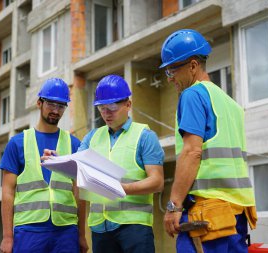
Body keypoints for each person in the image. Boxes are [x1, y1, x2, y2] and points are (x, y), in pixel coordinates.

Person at [159, 29, 257, 253]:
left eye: (172, 69)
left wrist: (174, 206)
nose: (170, 77)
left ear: (193, 66)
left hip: (206, 216)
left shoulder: (193, 94)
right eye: (167, 71)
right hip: (236, 214)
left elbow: (192, 152)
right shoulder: (230, 103)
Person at [0, 78, 88, 253]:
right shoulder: (18, 143)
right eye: (51, 104)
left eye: (61, 106)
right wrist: (7, 236)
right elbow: (7, 192)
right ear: (39, 103)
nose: (56, 110)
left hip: (66, 231)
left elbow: (79, 193)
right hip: (28, 231)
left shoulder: (74, 145)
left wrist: (81, 234)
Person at [78, 74, 164, 253]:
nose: (106, 113)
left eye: (112, 107)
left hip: (134, 226)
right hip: (100, 227)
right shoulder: (91, 138)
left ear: (128, 105)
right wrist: (56, 158)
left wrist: (121, 188)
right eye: (101, 108)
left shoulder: (144, 136)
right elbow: (76, 167)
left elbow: (157, 181)